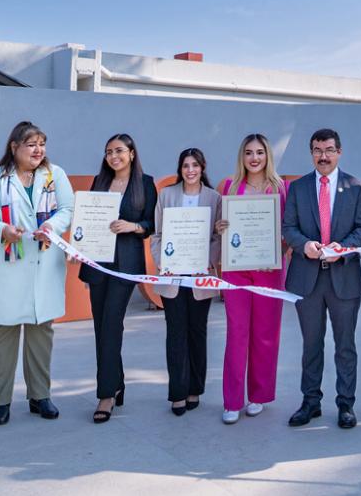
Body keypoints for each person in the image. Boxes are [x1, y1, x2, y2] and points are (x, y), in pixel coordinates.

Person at [0, 121, 74, 425]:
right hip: (8, 268)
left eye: (42, 144)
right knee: (3, 336)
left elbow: (67, 209)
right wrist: (3, 230)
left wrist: (51, 225)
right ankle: (1, 400)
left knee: (41, 335)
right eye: (31, 144)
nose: (38, 150)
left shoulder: (55, 175)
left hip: (43, 267)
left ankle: (40, 396)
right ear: (14, 147)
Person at [282, 128, 361, 429]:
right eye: (318, 150)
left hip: (344, 278)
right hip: (306, 278)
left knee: (345, 345)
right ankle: (310, 402)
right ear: (311, 153)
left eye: (329, 150)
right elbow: (289, 227)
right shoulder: (298, 188)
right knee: (311, 344)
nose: (323, 156)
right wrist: (303, 245)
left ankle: (346, 404)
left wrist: (341, 249)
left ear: (339, 152)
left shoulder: (356, 187)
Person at [74, 133, 155, 424]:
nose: (113, 156)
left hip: (125, 264)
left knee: (111, 324)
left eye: (119, 150)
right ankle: (116, 382)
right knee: (102, 327)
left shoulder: (145, 183)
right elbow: (87, 222)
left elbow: (151, 223)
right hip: (97, 263)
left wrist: (132, 226)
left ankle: (106, 395)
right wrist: (79, 249)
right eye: (108, 151)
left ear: (131, 153)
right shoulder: (100, 181)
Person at [216, 133, 287, 424]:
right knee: (237, 333)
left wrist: (279, 251)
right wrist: (220, 227)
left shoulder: (281, 188)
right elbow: (220, 227)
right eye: (248, 153)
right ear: (241, 157)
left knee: (265, 334)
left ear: (267, 155)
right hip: (237, 269)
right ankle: (232, 401)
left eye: (259, 152)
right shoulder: (229, 186)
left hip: (269, 270)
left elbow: (288, 229)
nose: (254, 158)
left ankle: (258, 395)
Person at [151, 148, 222, 415]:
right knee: (176, 333)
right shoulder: (166, 195)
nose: (190, 170)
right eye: (185, 166)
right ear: (180, 169)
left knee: (197, 333)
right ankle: (178, 393)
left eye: (195, 165)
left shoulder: (214, 198)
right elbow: (157, 235)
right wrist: (163, 263)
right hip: (173, 276)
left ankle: (195, 388)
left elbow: (217, 237)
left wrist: (208, 261)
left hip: (200, 277)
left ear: (202, 168)